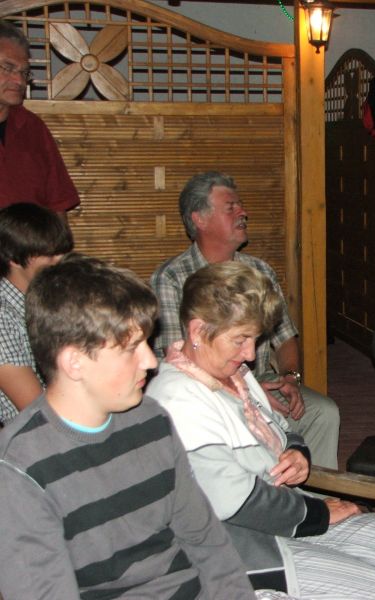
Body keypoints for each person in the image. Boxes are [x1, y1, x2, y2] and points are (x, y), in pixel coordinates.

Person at [146, 261, 375, 599]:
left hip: (283, 519)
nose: (250, 354)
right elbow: (238, 503)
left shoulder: (236, 377)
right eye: (240, 339)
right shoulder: (178, 400)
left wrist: (297, 453)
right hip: (240, 551)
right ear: (197, 331)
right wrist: (320, 513)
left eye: (254, 340)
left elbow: (285, 431)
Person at [0, 255, 256, 599]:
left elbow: (207, 542)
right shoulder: (18, 468)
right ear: (75, 362)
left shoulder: (151, 419)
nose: (150, 361)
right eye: (132, 348)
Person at [151, 171, 340, 469]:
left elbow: (285, 338)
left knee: (323, 413)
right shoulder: (172, 278)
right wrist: (246, 394)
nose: (243, 213)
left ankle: (311, 491)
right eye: (231, 207)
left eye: (240, 206)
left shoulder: (259, 271)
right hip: (205, 387)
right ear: (199, 219)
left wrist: (290, 378)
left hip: (260, 380)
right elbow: (177, 359)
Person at [0, 202, 73, 425]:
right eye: (50, 255)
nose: (60, 261)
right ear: (14, 258)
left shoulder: (49, 296)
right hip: (31, 434)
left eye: (62, 252)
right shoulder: (3, 316)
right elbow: (35, 408)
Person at [0, 20, 80, 214]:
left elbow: (57, 208)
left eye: (24, 72)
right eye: (8, 68)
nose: (19, 81)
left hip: (33, 234)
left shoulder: (32, 128)